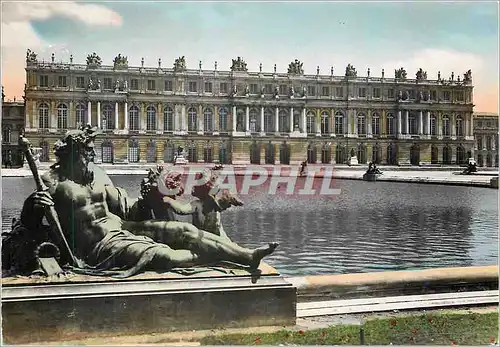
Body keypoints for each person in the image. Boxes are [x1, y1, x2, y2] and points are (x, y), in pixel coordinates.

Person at [21, 126, 278, 278]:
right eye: (86, 152)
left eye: (91, 152)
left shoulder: (97, 174)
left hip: (122, 228)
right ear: (72, 153)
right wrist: (33, 206)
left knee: (185, 230)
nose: (91, 156)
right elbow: (29, 225)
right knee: (163, 254)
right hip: (98, 247)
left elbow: (128, 209)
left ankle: (247, 256)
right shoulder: (51, 181)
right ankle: (212, 259)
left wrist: (152, 196)